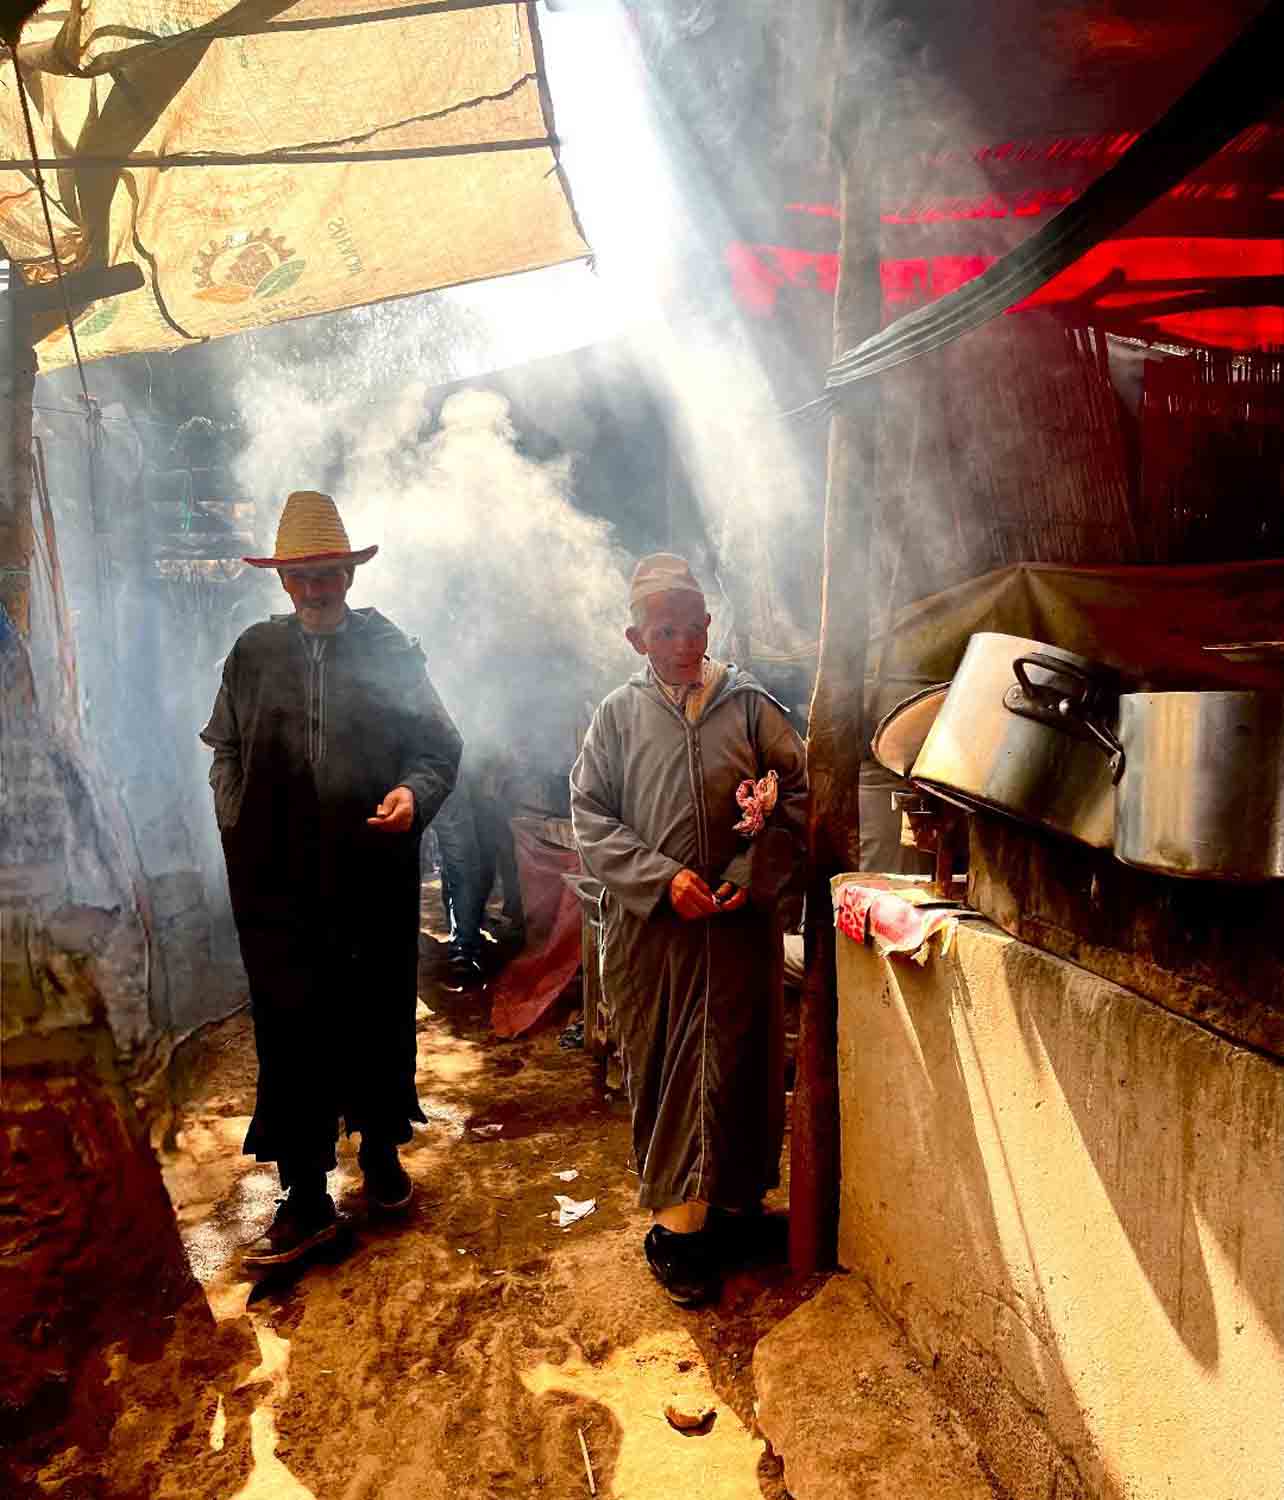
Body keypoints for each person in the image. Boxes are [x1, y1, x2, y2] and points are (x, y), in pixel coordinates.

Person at [201, 491, 462, 1270]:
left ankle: (380, 1154)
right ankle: (305, 1193)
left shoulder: (389, 650)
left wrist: (414, 794)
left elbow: (438, 745)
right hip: (277, 882)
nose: (316, 591)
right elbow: (224, 747)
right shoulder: (253, 654)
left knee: (376, 1011)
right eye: (302, 578)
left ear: (349, 571)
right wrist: (235, 810)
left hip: (369, 872)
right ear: (282, 581)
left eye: (329, 575)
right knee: (290, 1023)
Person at [570, 553, 807, 1306]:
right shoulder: (616, 716)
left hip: (737, 933)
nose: (681, 643)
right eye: (662, 630)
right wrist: (660, 879)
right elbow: (591, 818)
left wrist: (746, 873)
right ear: (636, 638)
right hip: (656, 937)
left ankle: (734, 1208)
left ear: (710, 627)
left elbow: (798, 794)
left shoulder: (750, 708)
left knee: (741, 1062)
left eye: (692, 627)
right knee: (670, 1066)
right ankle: (676, 1232)